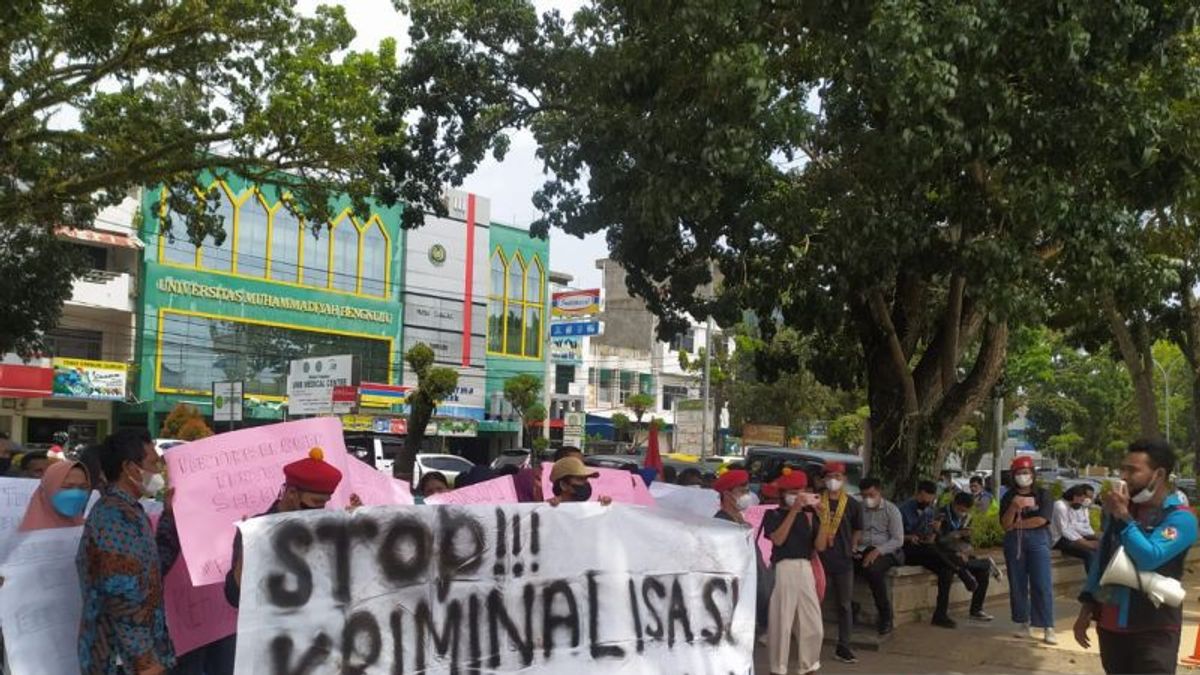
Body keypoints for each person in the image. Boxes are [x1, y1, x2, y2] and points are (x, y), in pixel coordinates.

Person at [1074, 439, 1199, 674]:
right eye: (1123, 468)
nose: (1124, 476)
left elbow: (1150, 557)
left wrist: (1124, 517)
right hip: (1111, 627)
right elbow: (1102, 560)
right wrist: (1086, 609)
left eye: (1132, 470)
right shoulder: (1121, 514)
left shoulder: (1180, 518)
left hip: (1154, 629)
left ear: (1158, 474)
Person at [77, 428, 175, 674]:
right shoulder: (113, 517)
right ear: (131, 468)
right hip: (119, 660)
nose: (159, 471)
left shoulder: (130, 511)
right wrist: (145, 661)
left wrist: (170, 518)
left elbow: (154, 569)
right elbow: (121, 597)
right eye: (153, 463)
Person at [225, 447, 345, 608]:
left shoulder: (326, 531)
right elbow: (234, 597)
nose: (320, 509)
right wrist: (248, 552)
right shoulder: (256, 530)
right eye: (316, 502)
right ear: (292, 493)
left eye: (324, 502)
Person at [765, 469, 826, 675]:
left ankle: (808, 666)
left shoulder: (810, 517)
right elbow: (778, 539)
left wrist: (823, 517)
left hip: (805, 568)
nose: (798, 496)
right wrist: (794, 511)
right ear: (783, 493)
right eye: (793, 492)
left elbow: (821, 546)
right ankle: (778, 668)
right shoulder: (772, 514)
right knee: (781, 623)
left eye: (801, 491)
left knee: (813, 624)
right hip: (784, 569)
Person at [1001, 455, 1056, 644]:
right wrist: (1013, 509)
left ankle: (1047, 625)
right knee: (1017, 583)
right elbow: (1005, 524)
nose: (1023, 476)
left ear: (1032, 473)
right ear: (1013, 475)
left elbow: (1041, 519)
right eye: (1019, 473)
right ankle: (1023, 622)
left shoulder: (1043, 494)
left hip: (1038, 540)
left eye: (1026, 472)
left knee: (1042, 583)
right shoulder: (1008, 496)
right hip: (1014, 543)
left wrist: (1017, 524)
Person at [816, 461, 862, 664]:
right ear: (824, 479)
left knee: (844, 605)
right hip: (819, 559)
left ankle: (844, 646)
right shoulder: (817, 501)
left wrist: (853, 546)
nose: (833, 481)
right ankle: (810, 643)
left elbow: (858, 528)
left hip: (843, 560)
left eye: (838, 477)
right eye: (830, 477)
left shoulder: (852, 504)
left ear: (844, 480)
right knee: (814, 604)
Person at [935, 492, 995, 623]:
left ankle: (976, 609)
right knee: (952, 566)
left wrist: (966, 548)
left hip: (959, 551)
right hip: (943, 553)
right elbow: (938, 540)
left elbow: (967, 541)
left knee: (982, 571)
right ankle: (984, 564)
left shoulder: (967, 517)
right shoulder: (941, 514)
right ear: (955, 504)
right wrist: (956, 534)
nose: (962, 513)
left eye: (965, 511)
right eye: (961, 510)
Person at [854, 477, 904, 635]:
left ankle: (885, 616)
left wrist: (877, 551)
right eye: (864, 496)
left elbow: (897, 539)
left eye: (871, 495)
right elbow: (854, 530)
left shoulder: (891, 510)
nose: (868, 499)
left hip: (885, 550)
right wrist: (853, 546)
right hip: (862, 548)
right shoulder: (859, 508)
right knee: (841, 565)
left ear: (879, 491)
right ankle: (850, 607)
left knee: (873, 570)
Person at [18, 458, 91, 531]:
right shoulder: (29, 535)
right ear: (49, 488)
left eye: (83, 487)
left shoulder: (89, 529)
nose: (77, 494)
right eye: (67, 487)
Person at [1051, 484, 1099, 572]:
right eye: (1081, 500)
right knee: (1089, 553)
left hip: (1070, 537)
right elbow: (1065, 530)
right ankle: (1092, 582)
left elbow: (1077, 527)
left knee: (1099, 547)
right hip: (1058, 539)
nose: (1082, 503)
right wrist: (1085, 543)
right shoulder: (1060, 506)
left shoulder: (1072, 506)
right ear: (1074, 496)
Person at [546, 457, 612, 505]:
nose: (586, 483)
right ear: (563, 485)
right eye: (580, 479)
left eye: (586, 479)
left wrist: (602, 509)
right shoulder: (546, 510)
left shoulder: (588, 510)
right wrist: (548, 508)